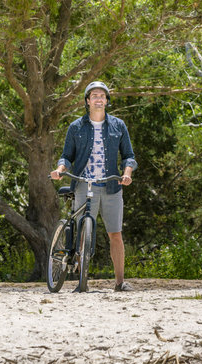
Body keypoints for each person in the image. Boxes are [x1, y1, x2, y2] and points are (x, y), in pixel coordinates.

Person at [50, 81, 137, 292]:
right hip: (83, 184)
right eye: (94, 95)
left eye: (102, 96)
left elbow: (129, 156)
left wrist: (126, 174)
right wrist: (60, 169)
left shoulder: (118, 125)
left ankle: (119, 282)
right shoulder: (76, 127)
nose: (98, 98)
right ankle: (82, 282)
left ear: (106, 101)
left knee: (115, 234)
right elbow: (66, 156)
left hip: (111, 186)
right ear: (88, 101)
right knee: (81, 232)